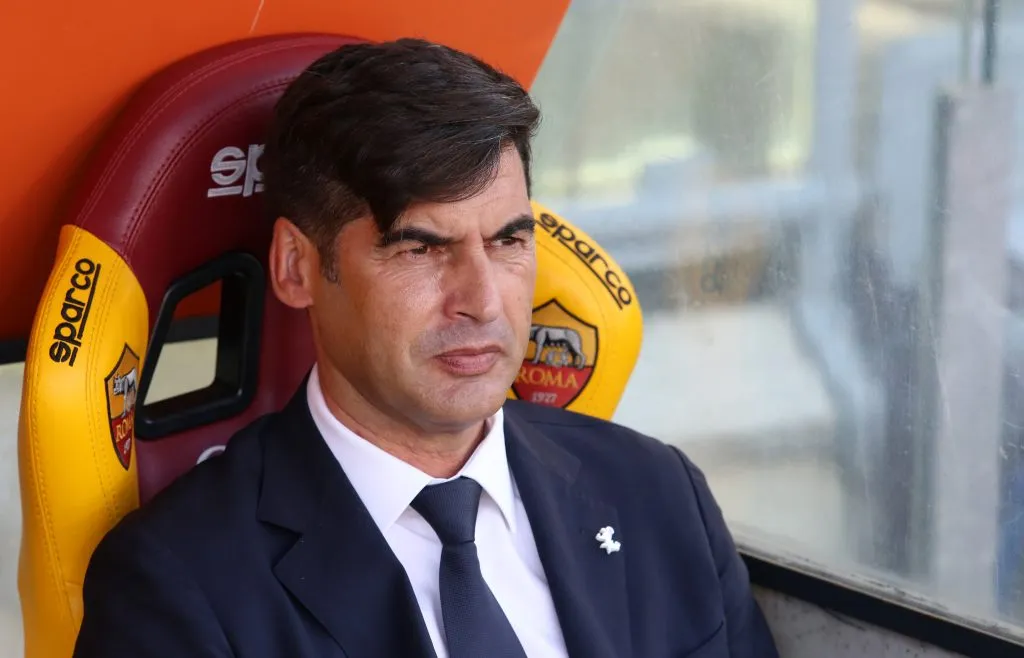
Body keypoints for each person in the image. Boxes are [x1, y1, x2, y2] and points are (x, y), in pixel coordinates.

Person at [73, 38, 779, 658]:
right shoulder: (177, 585)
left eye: (508, 240)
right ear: (296, 266)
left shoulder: (657, 493)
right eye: (420, 248)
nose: (480, 299)